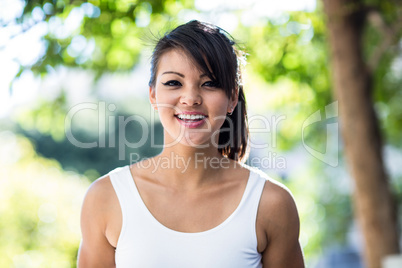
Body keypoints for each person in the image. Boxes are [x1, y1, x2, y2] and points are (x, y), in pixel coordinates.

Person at [77, 20, 304, 268]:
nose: (190, 99)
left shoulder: (271, 203)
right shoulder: (106, 198)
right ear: (153, 95)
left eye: (209, 83)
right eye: (174, 82)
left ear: (232, 98)